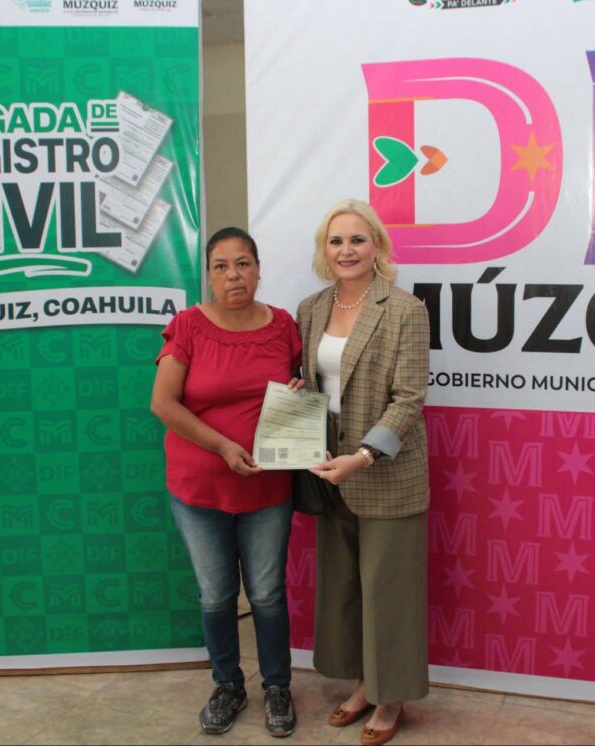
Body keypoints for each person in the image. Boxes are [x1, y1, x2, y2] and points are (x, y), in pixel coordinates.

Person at [151, 227, 301, 738]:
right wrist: (221, 446)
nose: (233, 275)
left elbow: (298, 389)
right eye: (221, 266)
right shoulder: (189, 326)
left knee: (267, 594)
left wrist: (299, 390)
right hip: (199, 489)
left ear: (258, 269)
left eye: (243, 263)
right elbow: (163, 403)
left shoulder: (283, 326)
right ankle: (228, 685)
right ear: (209, 276)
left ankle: (277, 686)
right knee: (216, 596)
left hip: (267, 487)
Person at [297, 199, 430, 746]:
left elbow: (409, 398)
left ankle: (389, 696)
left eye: (357, 239)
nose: (346, 250)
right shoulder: (311, 308)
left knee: (387, 591)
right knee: (346, 586)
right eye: (336, 241)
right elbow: (315, 382)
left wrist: (365, 456)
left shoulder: (404, 309)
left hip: (384, 471)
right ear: (324, 250)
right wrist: (296, 392)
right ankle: (362, 685)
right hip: (329, 470)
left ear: (377, 245)